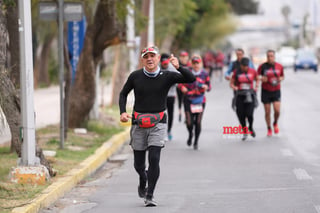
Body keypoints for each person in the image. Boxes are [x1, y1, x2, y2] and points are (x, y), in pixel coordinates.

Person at [119, 46, 195, 207]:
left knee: (154, 159)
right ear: (142, 59)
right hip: (138, 123)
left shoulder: (167, 76)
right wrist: (122, 112)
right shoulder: (135, 76)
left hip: (158, 123)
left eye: (152, 56)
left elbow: (190, 79)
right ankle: (142, 178)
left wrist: (179, 66)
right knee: (139, 165)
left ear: (158, 58)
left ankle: (150, 194)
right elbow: (123, 93)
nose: (150, 59)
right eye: (146, 56)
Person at [178, 55, 211, 150]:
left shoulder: (205, 74)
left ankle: (196, 141)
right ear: (191, 64)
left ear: (201, 64)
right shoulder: (186, 72)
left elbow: (209, 87)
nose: (196, 65)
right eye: (194, 63)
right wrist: (182, 87)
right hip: (188, 99)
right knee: (189, 122)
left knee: (198, 122)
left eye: (198, 63)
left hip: (200, 100)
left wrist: (206, 87)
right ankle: (190, 134)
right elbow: (179, 83)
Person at [230, 57, 259, 140]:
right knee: (240, 114)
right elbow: (231, 83)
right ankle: (244, 130)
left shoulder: (252, 71)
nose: (245, 67)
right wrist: (234, 87)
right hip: (240, 95)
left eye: (246, 66)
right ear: (241, 66)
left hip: (250, 94)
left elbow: (257, 79)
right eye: (243, 66)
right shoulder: (236, 72)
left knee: (250, 114)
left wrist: (256, 86)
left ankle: (250, 127)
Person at [257, 49, 284, 137]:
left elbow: (282, 76)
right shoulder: (262, 66)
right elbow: (257, 75)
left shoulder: (279, 66)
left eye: (271, 56)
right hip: (266, 91)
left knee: (277, 110)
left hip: (276, 90)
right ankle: (269, 128)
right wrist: (261, 78)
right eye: (268, 56)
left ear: (274, 57)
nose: (270, 58)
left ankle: (275, 123)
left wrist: (280, 79)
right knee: (267, 111)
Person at [160, 53, 177, 140]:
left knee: (170, 114)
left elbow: (177, 79)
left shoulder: (172, 68)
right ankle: (162, 133)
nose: (165, 65)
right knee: (161, 114)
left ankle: (169, 130)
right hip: (161, 95)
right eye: (164, 63)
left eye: (167, 63)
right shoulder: (157, 68)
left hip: (171, 95)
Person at [177, 50, 191, 122]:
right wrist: (181, 86)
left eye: (185, 57)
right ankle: (180, 113)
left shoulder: (190, 65)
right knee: (180, 100)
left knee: (187, 101)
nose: (183, 58)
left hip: (188, 87)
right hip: (180, 86)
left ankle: (186, 115)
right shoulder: (177, 65)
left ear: (187, 57)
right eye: (182, 57)